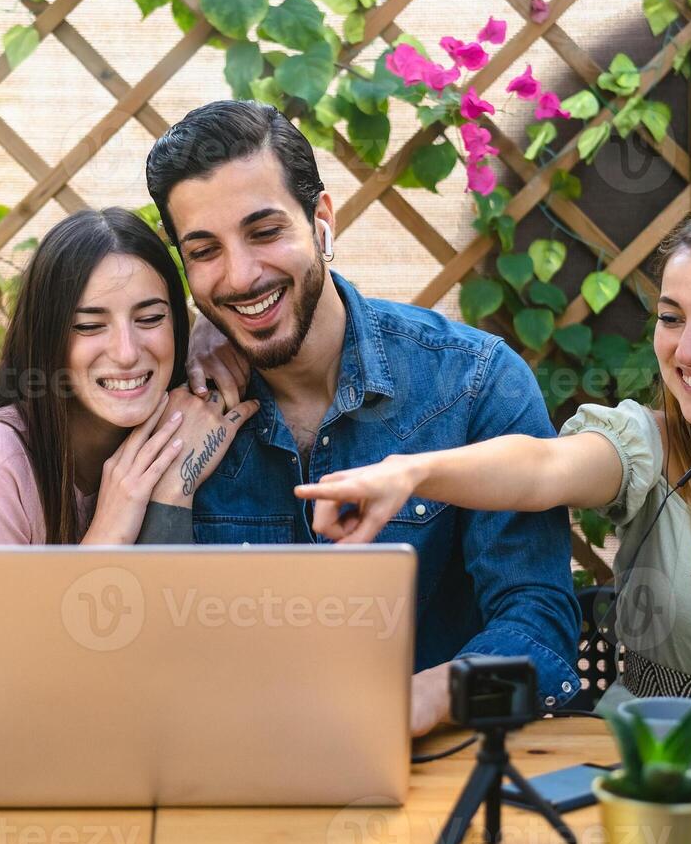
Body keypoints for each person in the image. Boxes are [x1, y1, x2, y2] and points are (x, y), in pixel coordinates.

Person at [296, 201, 691, 713]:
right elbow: (542, 468)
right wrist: (414, 472)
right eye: (671, 319)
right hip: (640, 771)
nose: (687, 349)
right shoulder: (649, 443)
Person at [143, 100, 582, 736]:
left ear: (321, 219)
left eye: (265, 232)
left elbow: (543, 646)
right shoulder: (166, 405)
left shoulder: (474, 384)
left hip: (428, 781)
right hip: (218, 781)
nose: (240, 276)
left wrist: (424, 701)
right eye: (205, 250)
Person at [0, 208, 257, 719]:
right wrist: (107, 535)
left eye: (150, 319)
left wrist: (171, 490)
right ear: (48, 338)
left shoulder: (153, 445)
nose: (126, 352)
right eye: (88, 325)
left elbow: (152, 670)